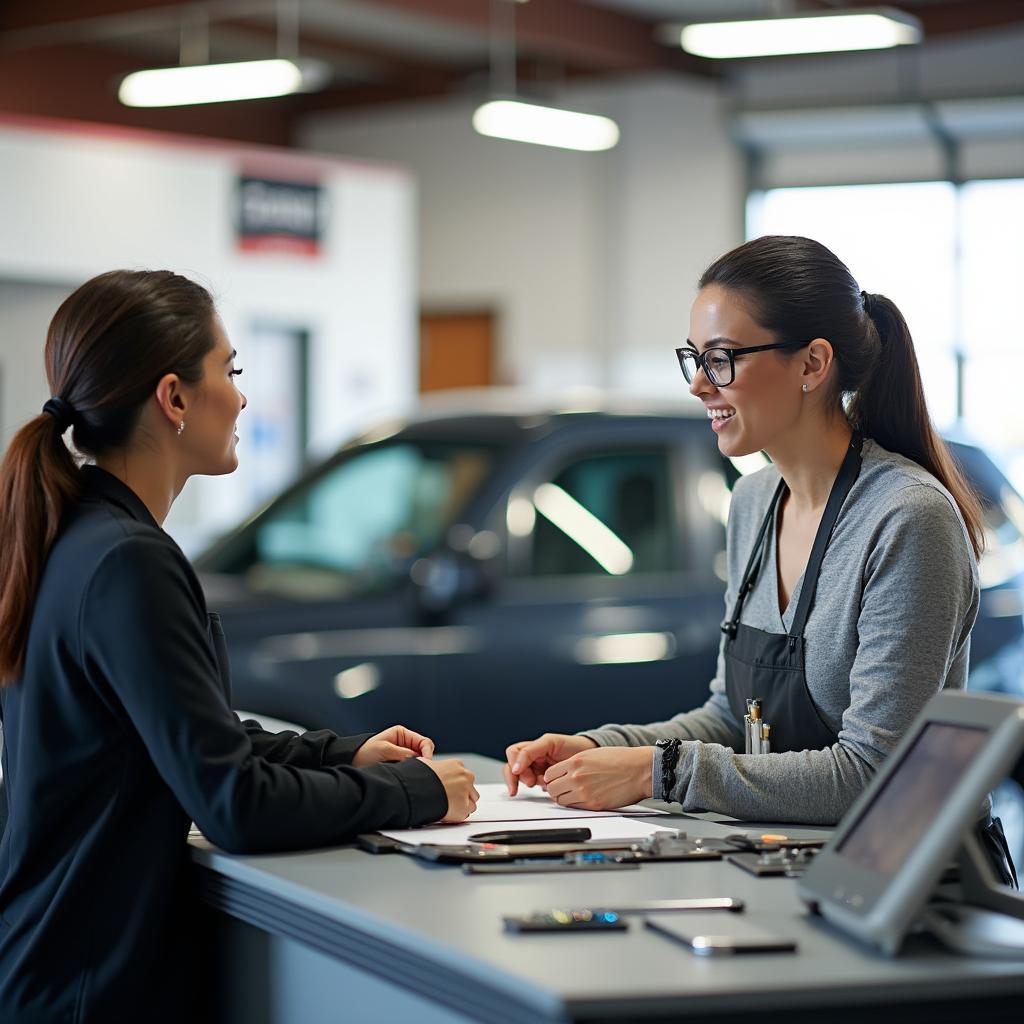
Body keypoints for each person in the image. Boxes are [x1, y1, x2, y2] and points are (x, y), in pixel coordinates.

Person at [0, 270, 479, 1023]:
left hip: (60, 966)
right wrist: (418, 793)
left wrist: (341, 754)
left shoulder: (81, 538)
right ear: (175, 398)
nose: (243, 395)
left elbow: (186, 734)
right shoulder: (127, 561)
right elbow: (236, 804)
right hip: (90, 986)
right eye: (230, 370)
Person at [504, 234, 995, 836]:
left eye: (722, 358)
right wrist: (595, 748)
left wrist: (657, 773)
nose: (699, 384)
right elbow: (731, 719)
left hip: (907, 893)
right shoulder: (753, 501)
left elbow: (875, 775)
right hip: (792, 867)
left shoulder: (906, 519)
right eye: (694, 358)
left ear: (813, 364)